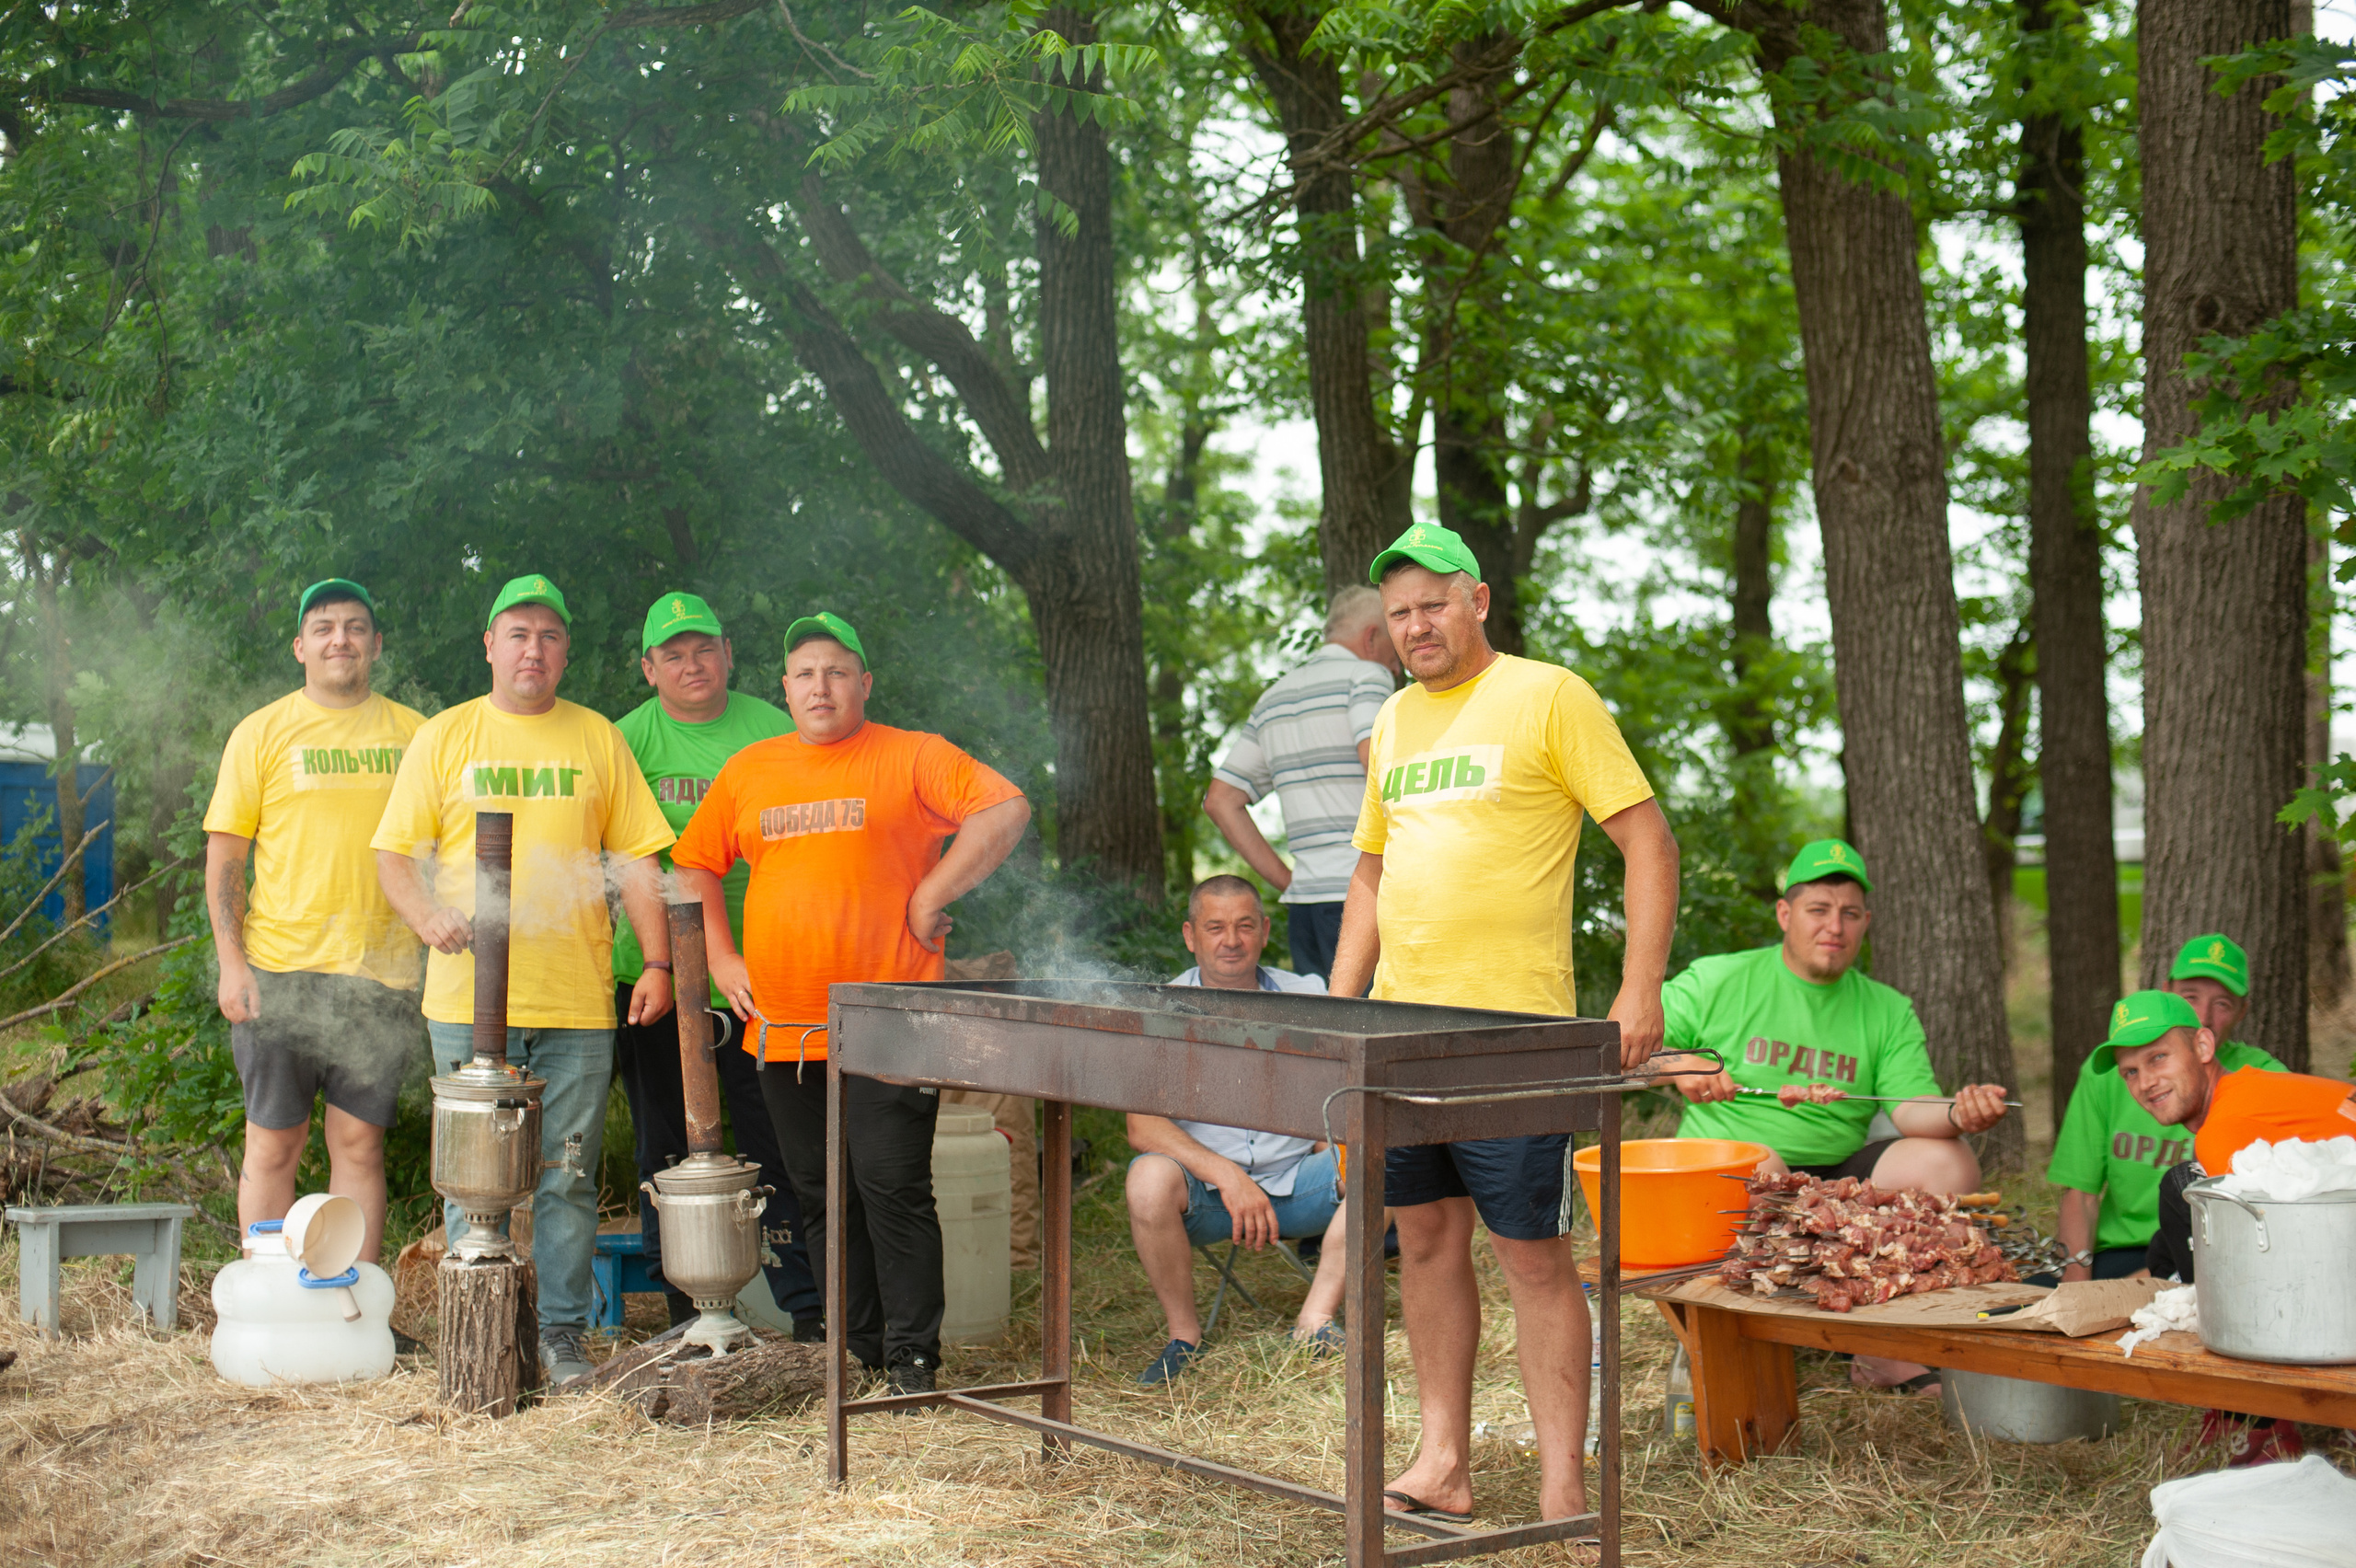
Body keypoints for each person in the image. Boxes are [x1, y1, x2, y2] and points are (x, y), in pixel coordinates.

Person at [1329, 522, 1681, 1527]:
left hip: (1513, 1035)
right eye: (1397, 613)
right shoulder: (1394, 721)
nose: (1415, 626)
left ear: (1477, 599)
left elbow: (1647, 841)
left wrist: (1637, 990)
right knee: (1427, 1241)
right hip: (1400, 1040)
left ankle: (1564, 1488)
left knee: (1530, 1254)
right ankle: (1442, 1461)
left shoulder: (1547, 695)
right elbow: (1371, 870)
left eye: (1432, 604)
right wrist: (1337, 1014)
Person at [675, 611, 1031, 1397]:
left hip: (893, 1022)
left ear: (863, 684)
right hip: (783, 1026)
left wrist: (933, 890)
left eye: (836, 671)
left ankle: (912, 1362)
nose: (820, 686)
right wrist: (724, 956)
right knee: (820, 1194)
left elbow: (1004, 809)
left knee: (891, 1186)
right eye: (804, 673)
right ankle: (853, 1351)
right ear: (785, 688)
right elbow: (695, 865)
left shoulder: (912, 756)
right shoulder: (750, 769)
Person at [372, 573, 678, 1387]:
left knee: (568, 1179)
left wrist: (656, 961)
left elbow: (638, 858)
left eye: (548, 636)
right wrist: (427, 919)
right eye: (518, 634)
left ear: (565, 652)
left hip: (576, 1002)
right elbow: (392, 855)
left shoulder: (596, 739)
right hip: (466, 1006)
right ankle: (477, 1333)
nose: (532, 649)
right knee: (475, 1185)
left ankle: (562, 1339)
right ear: (489, 646)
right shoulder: (445, 737)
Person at [1657, 839, 2009, 1397]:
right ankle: (1748, 1339)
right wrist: (1678, 1063)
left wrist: (1961, 1112)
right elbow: (1629, 1042)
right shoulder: (1718, 980)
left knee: (1947, 1162)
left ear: (1865, 922)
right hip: (1739, 1166)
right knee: (1768, 1170)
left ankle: (1882, 1347)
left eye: (1848, 914)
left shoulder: (1886, 1008)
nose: (1834, 927)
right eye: (1818, 910)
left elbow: (1912, 1108)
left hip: (1838, 1171)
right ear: (1785, 914)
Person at [612, 591, 821, 1339]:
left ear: (729, 653)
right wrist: (657, 963)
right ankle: (687, 1313)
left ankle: (810, 1312)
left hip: (767, 970)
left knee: (779, 1139)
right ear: (648, 668)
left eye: (704, 649)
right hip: (653, 973)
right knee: (665, 1144)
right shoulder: (624, 741)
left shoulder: (777, 726)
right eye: (673, 654)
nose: (691, 665)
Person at [203, 579, 426, 1264]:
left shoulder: (416, 735)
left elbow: (444, 855)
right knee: (275, 1143)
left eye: (356, 627)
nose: (341, 639)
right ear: (301, 646)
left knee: (359, 1144)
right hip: (280, 974)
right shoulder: (262, 731)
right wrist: (233, 965)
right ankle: (267, 1292)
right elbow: (225, 864)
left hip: (382, 973)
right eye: (324, 627)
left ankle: (351, 1291)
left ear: (376, 644)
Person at [2090, 989, 2356, 1465]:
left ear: (2204, 1048)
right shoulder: (2252, 1088)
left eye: (2159, 1059)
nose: (2146, 1082)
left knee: (2185, 1191)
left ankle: (2260, 1420)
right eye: (2132, 1071)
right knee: (2167, 1241)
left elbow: (2261, 1262)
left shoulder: (2226, 1128)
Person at [1125, 875, 1351, 1385]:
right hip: (1208, 1193)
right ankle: (1184, 1337)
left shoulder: (1309, 996)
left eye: (1245, 926)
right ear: (1190, 935)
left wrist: (1337, 1149)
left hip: (1299, 1183)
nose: (1232, 940)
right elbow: (1141, 1126)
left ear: (1266, 931)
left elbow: (1337, 1098)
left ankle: (1315, 1320)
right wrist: (1228, 1176)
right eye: (1216, 927)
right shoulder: (1159, 1007)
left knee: (1381, 1162)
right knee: (1146, 1178)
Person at [2049, 934, 2281, 1282]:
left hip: (2223, 1251)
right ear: (2167, 989)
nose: (2202, 1015)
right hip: (2122, 1253)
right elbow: (2080, 1194)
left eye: (2222, 1004)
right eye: (2190, 997)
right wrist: (2076, 1294)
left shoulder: (2262, 1079)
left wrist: (2151, 1282)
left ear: (2242, 1011)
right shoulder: (2107, 1074)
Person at [1203, 585, 1399, 980]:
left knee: (1324, 1033)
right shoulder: (1368, 675)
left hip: (1305, 907)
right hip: (1364, 897)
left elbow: (1220, 800)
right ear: (1372, 637)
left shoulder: (1273, 698)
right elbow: (1376, 762)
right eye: (1395, 651)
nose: (1399, 667)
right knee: (1379, 1033)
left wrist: (1289, 881)